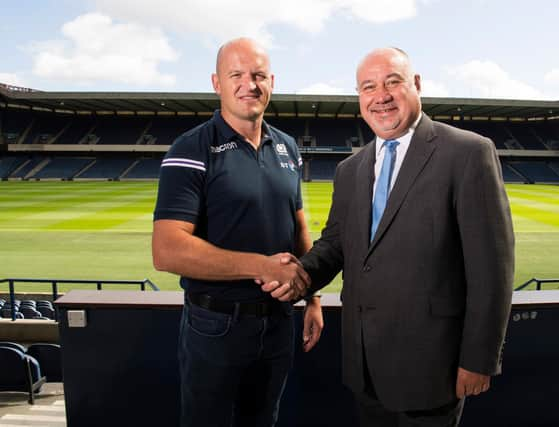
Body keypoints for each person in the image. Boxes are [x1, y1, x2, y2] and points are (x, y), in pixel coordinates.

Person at [264, 47, 514, 426]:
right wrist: (298, 276)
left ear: (416, 85)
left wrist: (479, 359)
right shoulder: (351, 169)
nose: (380, 96)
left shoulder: (467, 153)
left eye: (392, 82)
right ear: (360, 98)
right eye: (368, 87)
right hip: (364, 365)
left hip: (434, 369)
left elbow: (492, 269)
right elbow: (335, 245)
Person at [152, 37, 323, 427]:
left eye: (259, 75)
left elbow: (298, 226)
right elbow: (167, 251)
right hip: (216, 326)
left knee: (263, 420)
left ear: (272, 82)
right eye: (237, 75)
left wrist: (312, 297)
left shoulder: (288, 147)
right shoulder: (191, 147)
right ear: (217, 83)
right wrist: (261, 266)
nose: (250, 84)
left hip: (279, 322)